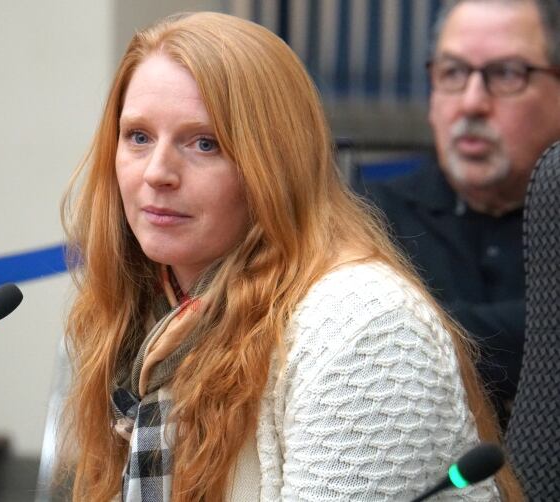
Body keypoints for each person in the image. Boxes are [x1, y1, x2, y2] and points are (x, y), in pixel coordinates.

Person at [59, 11, 521, 501]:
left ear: (276, 166)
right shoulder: (150, 312)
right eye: (139, 137)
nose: (157, 173)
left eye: (205, 143)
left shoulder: (364, 326)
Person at [357, 0, 560, 428]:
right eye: (452, 73)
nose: (471, 103)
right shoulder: (367, 219)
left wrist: (424, 334)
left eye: (506, 74)